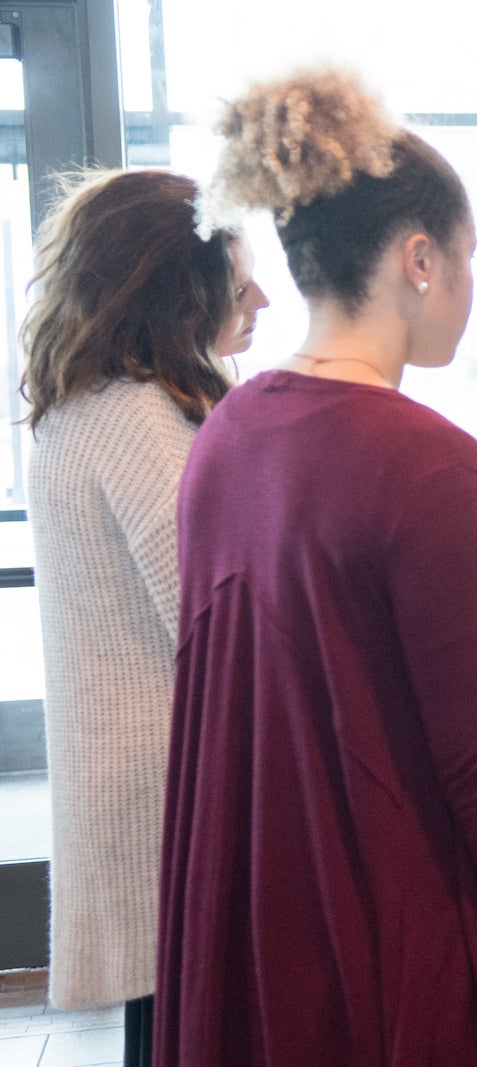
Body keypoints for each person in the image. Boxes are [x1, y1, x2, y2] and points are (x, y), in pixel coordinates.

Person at [156, 68, 477, 1066]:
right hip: (394, 940)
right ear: (416, 259)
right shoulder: (430, 462)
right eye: (466, 257)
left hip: (263, 931)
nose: (470, 285)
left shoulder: (227, 435)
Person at [20, 167, 267, 1067]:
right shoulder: (137, 419)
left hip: (138, 797)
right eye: (238, 285)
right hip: (169, 807)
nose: (264, 300)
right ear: (177, 289)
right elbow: (223, 629)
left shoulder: (82, 404)